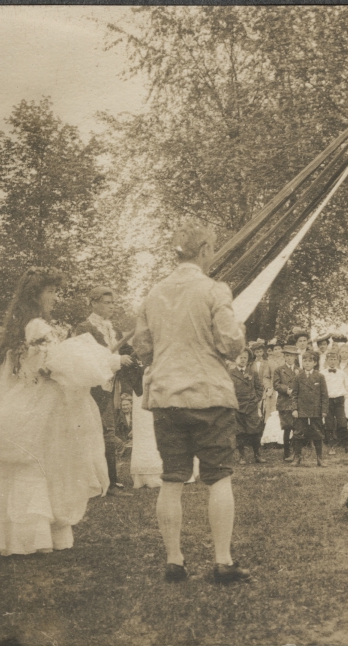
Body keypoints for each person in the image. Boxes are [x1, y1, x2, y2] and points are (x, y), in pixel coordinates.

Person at [0, 268, 117, 555]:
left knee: (16, 465)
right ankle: (31, 536)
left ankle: (10, 534)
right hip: (37, 404)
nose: (55, 298)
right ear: (36, 295)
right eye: (51, 292)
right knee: (34, 464)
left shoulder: (20, 325)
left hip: (26, 399)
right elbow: (49, 367)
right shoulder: (37, 327)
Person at [132, 220, 250, 583]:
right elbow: (232, 342)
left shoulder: (152, 294)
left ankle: (174, 561)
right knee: (219, 479)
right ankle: (223, 561)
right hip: (208, 395)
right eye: (211, 248)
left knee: (172, 479)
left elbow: (141, 347)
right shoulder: (215, 290)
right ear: (203, 251)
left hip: (166, 397)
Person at [74, 286, 137, 497]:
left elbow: (127, 351)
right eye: (106, 302)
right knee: (99, 432)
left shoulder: (114, 329)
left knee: (107, 432)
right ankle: (102, 483)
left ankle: (108, 481)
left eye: (112, 303)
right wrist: (116, 360)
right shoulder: (84, 328)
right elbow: (85, 359)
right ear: (93, 303)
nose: (111, 306)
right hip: (91, 388)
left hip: (111, 386)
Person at [290, 350, 328, 467]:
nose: (307, 363)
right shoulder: (298, 376)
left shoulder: (320, 377)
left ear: (315, 363)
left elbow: (324, 395)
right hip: (301, 410)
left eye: (309, 361)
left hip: (315, 410)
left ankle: (319, 458)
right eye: (304, 361)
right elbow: (294, 394)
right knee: (298, 433)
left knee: (317, 433)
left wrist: (324, 410)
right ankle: (297, 457)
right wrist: (295, 409)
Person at [228, 348, 265, 465]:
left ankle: (257, 455)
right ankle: (242, 456)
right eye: (240, 357)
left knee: (255, 431)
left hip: (251, 406)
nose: (242, 360)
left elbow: (259, 387)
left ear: (248, 359)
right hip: (237, 407)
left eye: (245, 357)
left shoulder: (252, 372)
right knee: (240, 433)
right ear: (235, 359)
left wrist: (256, 399)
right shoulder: (231, 373)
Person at [321, 346, 348, 454]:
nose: (332, 362)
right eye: (330, 359)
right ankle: (331, 447)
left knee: (342, 423)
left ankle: (346, 446)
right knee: (329, 424)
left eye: (335, 359)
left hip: (339, 401)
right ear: (326, 361)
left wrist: (345, 397)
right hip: (328, 401)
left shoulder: (342, 373)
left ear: (338, 360)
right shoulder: (322, 374)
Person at [274, 345, 300, 461]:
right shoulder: (279, 370)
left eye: (291, 356)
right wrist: (286, 390)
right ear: (284, 357)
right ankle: (286, 452)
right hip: (284, 402)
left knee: (297, 427)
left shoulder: (299, 370)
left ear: (295, 357)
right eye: (287, 356)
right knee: (287, 427)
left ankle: (296, 452)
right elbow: (276, 384)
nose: (289, 358)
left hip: (296, 402)